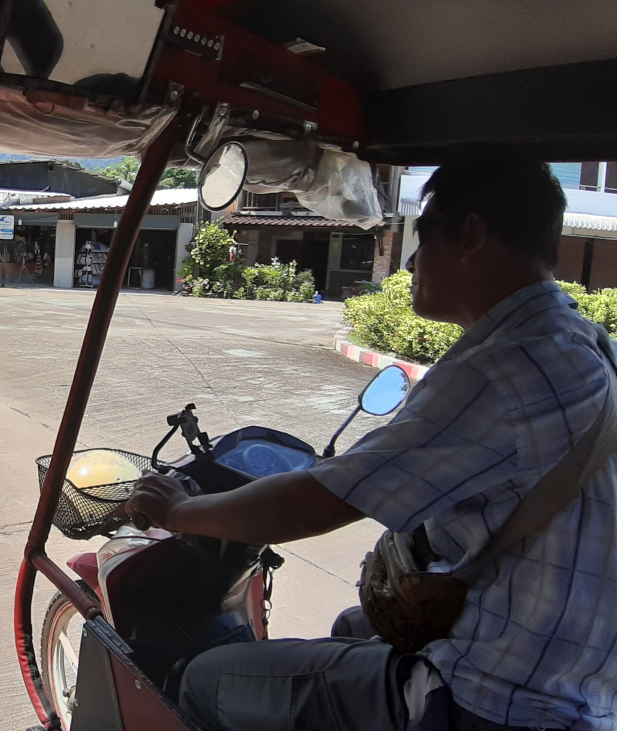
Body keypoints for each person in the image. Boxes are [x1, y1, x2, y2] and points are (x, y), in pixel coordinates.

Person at [127, 150, 617, 731]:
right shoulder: (588, 345)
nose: (410, 259)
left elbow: (316, 503)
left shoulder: (503, 367)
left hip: (487, 698)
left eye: (423, 235)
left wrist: (178, 511)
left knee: (202, 681)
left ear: (472, 233)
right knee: (351, 627)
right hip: (584, 693)